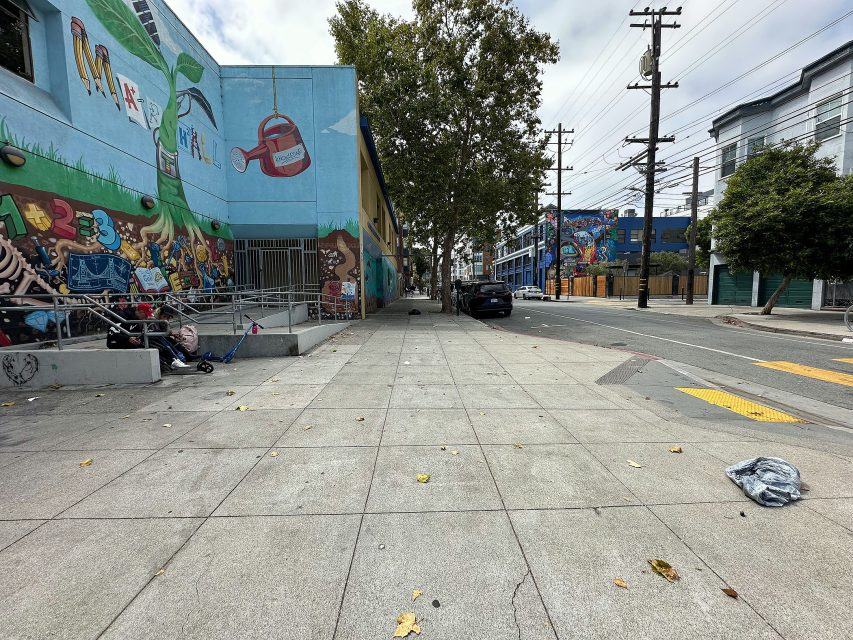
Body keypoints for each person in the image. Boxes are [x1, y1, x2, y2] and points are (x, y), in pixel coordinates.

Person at [107, 303, 188, 370]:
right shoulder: (123, 317)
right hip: (117, 342)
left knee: (156, 336)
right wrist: (128, 338)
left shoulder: (140, 320)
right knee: (153, 339)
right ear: (139, 312)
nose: (147, 317)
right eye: (145, 315)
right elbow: (112, 335)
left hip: (133, 340)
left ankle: (174, 359)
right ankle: (173, 359)